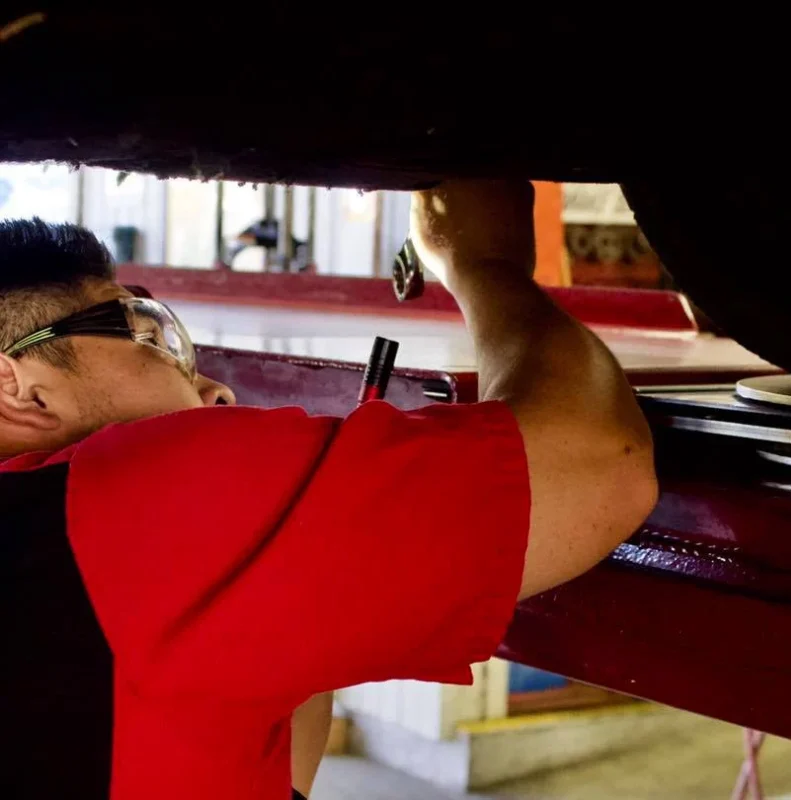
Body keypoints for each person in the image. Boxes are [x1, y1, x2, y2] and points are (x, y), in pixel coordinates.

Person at [0, 181, 657, 799]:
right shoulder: (128, 491)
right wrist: (484, 263)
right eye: (150, 337)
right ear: (15, 385)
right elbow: (601, 461)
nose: (216, 390)